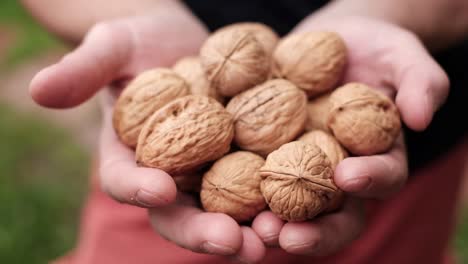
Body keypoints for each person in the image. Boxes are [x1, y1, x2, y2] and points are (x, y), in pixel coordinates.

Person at [22, 0, 468, 263]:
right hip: (173, 191)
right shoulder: (198, 106)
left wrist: (392, 11)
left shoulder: (311, 109)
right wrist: (136, 11)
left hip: (401, 164)